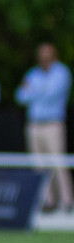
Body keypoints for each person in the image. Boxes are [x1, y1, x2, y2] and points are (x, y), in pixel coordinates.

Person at [16, 43, 72, 212]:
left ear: (53, 54)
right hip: (34, 125)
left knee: (58, 163)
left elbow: (51, 94)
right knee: (39, 165)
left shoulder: (61, 72)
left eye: (46, 53)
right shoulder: (33, 73)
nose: (43, 56)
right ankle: (47, 202)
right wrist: (37, 91)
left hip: (52, 125)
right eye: (41, 53)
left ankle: (67, 201)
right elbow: (20, 96)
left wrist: (33, 90)